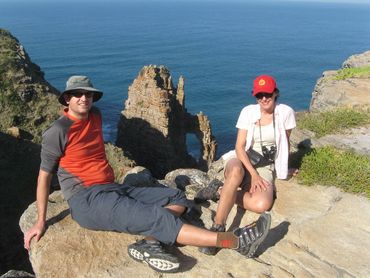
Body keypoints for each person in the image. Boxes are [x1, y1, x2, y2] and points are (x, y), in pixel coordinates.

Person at [24, 75, 272, 273]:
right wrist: (40, 220)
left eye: (88, 94)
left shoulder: (95, 116)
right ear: (67, 99)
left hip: (113, 188)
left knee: (177, 198)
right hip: (87, 200)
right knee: (159, 217)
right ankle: (234, 241)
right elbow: (44, 176)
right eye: (77, 94)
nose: (83, 98)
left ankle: (150, 243)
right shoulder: (58, 131)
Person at [195, 75, 296, 255]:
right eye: (259, 95)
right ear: (255, 96)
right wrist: (253, 175)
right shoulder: (248, 112)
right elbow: (239, 147)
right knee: (235, 172)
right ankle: (218, 228)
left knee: (262, 204)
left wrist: (284, 168)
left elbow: (285, 144)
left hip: (265, 165)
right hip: (242, 158)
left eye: (268, 94)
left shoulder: (286, 112)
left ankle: (221, 191)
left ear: (275, 93)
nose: (264, 98)